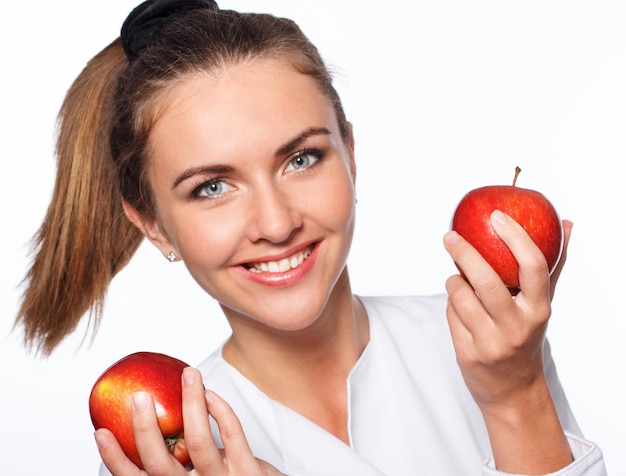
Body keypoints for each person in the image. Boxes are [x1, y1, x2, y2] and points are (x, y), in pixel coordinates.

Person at [15, 0, 607, 474]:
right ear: (150, 222)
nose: (276, 224)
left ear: (350, 152)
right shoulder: (165, 454)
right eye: (212, 187)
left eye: (301, 159)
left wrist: (515, 397)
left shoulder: (495, 351)